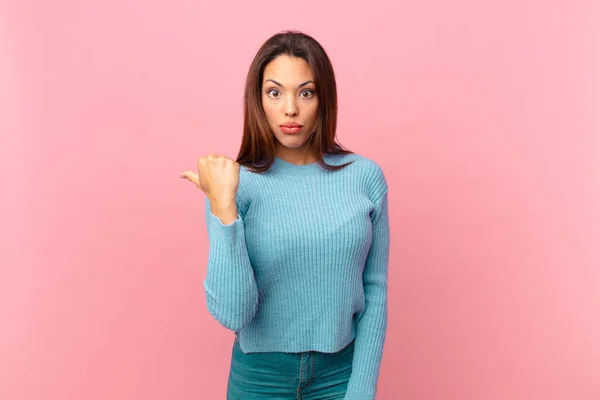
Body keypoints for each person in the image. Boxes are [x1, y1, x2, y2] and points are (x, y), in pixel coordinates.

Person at [180, 30, 390, 400]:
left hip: (340, 376)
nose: (290, 109)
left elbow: (375, 289)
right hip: (259, 379)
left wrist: (361, 389)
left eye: (305, 92)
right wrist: (224, 208)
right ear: (258, 100)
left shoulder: (365, 177)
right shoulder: (233, 183)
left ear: (323, 99)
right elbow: (233, 313)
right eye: (275, 92)